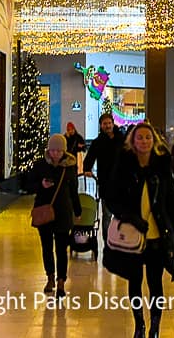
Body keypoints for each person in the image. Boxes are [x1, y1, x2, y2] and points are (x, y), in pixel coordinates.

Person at [102, 122, 174, 338]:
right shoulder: (124, 165)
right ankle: (139, 324)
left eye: (148, 137)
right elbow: (111, 197)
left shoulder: (163, 165)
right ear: (133, 141)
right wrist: (130, 217)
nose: (144, 141)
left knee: (155, 284)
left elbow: (171, 202)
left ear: (154, 140)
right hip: (133, 236)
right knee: (135, 282)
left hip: (157, 236)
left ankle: (155, 327)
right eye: (140, 138)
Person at [27, 133, 81, 298]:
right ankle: (50, 276)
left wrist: (77, 211)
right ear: (48, 150)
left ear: (64, 151)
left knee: (61, 249)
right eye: (53, 150)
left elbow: (73, 190)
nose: (55, 154)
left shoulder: (70, 166)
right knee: (47, 247)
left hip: (63, 212)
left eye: (59, 150)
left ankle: (61, 281)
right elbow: (29, 185)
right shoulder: (40, 165)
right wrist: (41, 185)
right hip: (44, 211)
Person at [83, 112, 124, 243]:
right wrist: (87, 169)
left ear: (113, 123)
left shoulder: (122, 139)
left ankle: (119, 241)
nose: (107, 126)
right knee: (106, 215)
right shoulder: (98, 142)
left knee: (121, 215)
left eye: (109, 123)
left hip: (122, 183)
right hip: (105, 183)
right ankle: (107, 242)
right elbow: (89, 158)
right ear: (101, 125)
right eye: (104, 124)